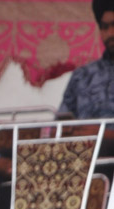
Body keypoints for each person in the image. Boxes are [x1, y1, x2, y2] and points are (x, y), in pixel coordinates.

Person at [60, 0, 114, 142]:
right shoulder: (82, 75)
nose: (110, 33)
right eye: (104, 27)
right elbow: (59, 126)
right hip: (84, 153)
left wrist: (105, 135)